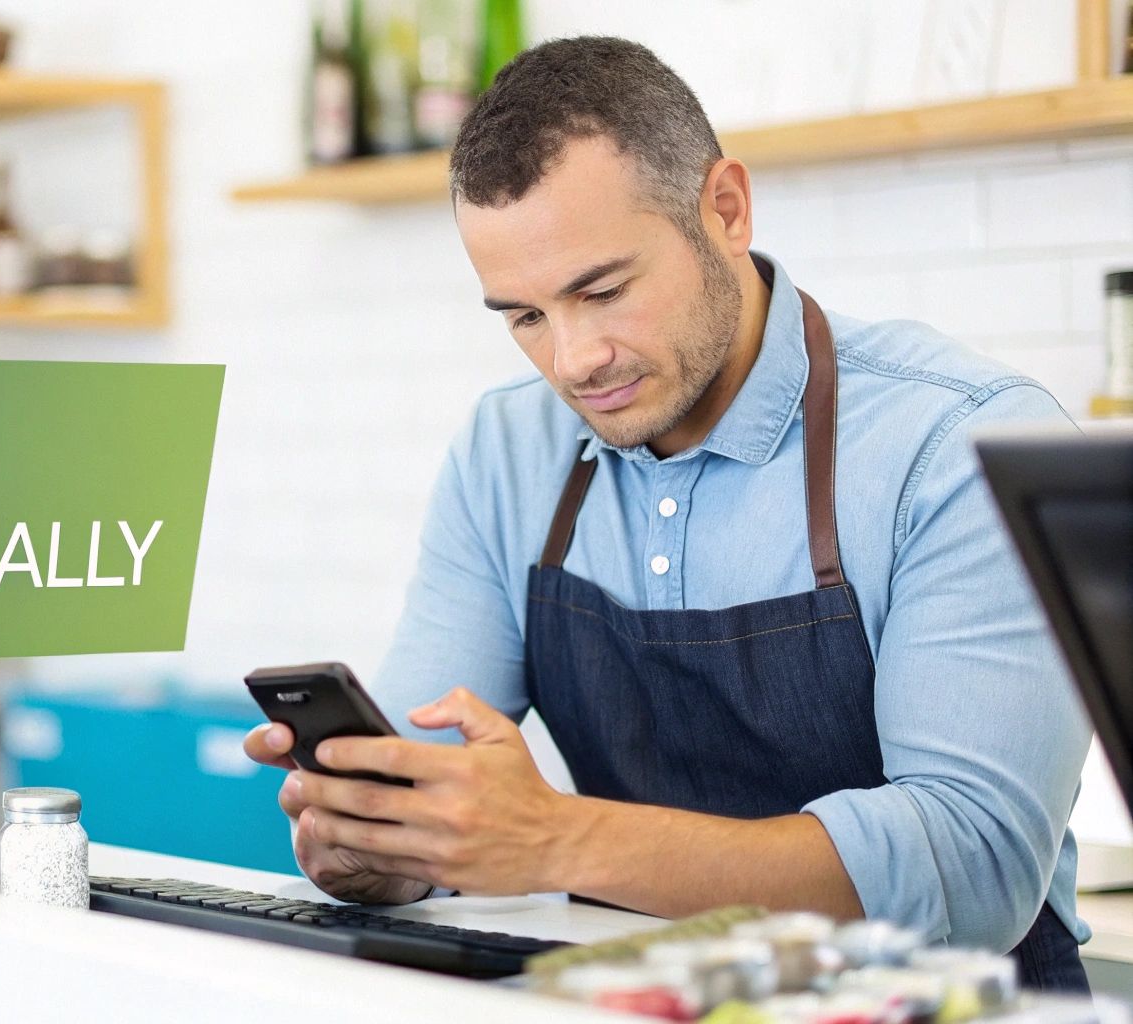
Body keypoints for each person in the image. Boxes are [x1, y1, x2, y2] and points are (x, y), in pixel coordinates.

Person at [244, 37, 1091, 991]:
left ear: (724, 209)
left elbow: (972, 867)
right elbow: (425, 777)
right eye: (523, 316)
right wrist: (376, 845)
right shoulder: (505, 453)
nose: (572, 360)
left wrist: (559, 840)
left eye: (601, 292)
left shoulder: (959, 445)